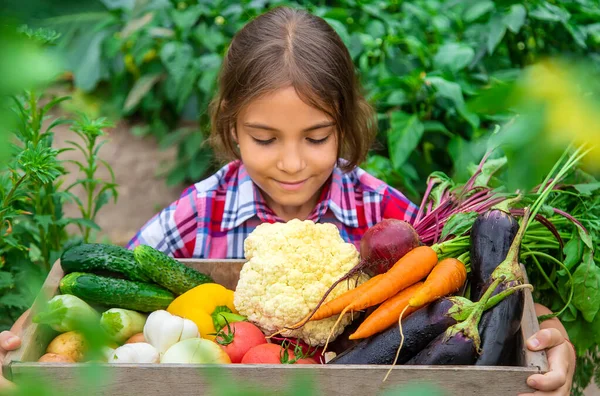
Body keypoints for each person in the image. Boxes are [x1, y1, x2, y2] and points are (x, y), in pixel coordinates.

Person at [1, 6, 576, 395]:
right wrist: (40, 325)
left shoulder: (388, 213)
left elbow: (495, 287)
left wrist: (544, 330)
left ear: (345, 124)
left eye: (317, 137)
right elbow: (115, 283)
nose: (293, 163)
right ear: (230, 125)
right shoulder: (200, 212)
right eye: (265, 139)